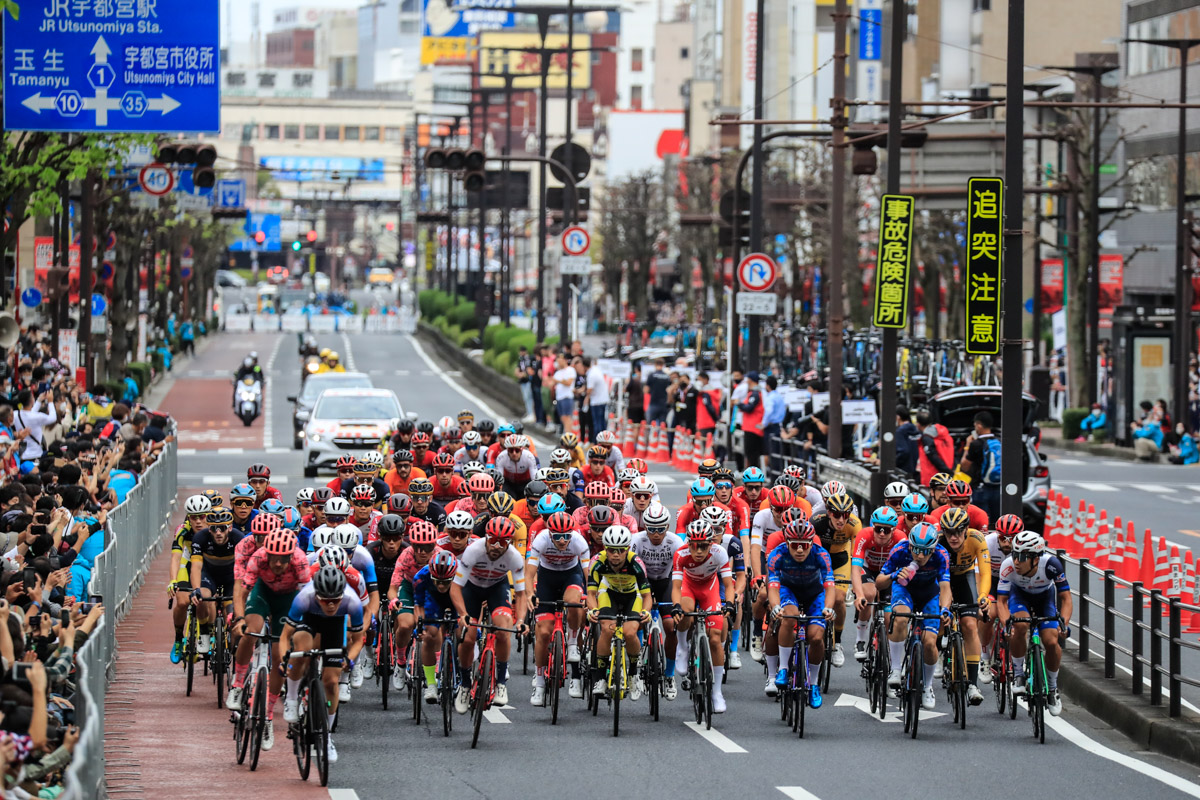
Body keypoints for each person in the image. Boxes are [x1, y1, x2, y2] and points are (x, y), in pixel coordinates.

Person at [877, 521, 952, 711]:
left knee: (929, 642)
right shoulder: (899, 551)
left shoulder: (942, 555)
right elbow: (879, 583)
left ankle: (927, 687)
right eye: (916, 549)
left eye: (926, 551)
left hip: (929, 593)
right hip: (904, 589)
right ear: (909, 545)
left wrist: (945, 609)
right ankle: (895, 670)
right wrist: (894, 575)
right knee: (900, 617)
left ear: (933, 549)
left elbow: (945, 587)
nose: (920, 555)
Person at [996, 531, 1072, 716]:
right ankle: (1019, 675)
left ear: (1036, 559)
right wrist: (1007, 624)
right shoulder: (1007, 567)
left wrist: (1064, 624)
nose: (1016, 561)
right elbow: (1002, 601)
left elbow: (1066, 598)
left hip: (1044, 598)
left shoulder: (1051, 565)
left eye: (1021, 557)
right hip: (1019, 596)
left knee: (1052, 642)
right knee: (1020, 626)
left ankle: (1053, 688)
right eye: (1014, 554)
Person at [956, 411, 1001, 524]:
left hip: (980, 489)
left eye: (975, 425)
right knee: (996, 520)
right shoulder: (999, 441)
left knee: (981, 521)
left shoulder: (976, 444)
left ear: (979, 425)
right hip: (997, 487)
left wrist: (967, 445)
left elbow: (964, 466)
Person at [915, 411, 955, 486]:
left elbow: (933, 457)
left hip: (932, 476)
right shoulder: (942, 434)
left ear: (919, 424)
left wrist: (947, 471)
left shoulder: (926, 438)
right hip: (945, 473)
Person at [737, 372, 765, 472]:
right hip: (750, 427)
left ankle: (754, 474)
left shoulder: (755, 393)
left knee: (752, 454)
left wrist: (739, 404)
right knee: (750, 453)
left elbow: (749, 408)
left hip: (753, 428)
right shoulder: (752, 392)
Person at [762, 375, 787, 469]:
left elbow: (768, 411)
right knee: (777, 451)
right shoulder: (779, 397)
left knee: (769, 451)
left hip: (770, 427)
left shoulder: (770, 397)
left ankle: (771, 473)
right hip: (777, 426)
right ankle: (776, 471)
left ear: (768, 386)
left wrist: (763, 423)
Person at [583, 357, 610, 435]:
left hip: (597, 401)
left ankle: (598, 442)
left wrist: (586, 397)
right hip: (603, 399)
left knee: (597, 423)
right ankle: (604, 441)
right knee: (602, 422)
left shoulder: (591, 375)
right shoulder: (596, 369)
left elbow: (589, 390)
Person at [552, 354, 576, 435]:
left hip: (567, 396)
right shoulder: (557, 372)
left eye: (561, 360)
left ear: (565, 360)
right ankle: (566, 432)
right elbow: (552, 383)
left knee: (567, 416)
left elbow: (569, 382)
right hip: (559, 397)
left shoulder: (570, 370)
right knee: (562, 417)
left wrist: (558, 380)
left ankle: (568, 433)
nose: (559, 362)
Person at [895, 406, 919, 476]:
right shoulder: (915, 429)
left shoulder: (900, 432)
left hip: (904, 470)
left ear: (898, 417)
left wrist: (894, 462)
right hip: (918, 469)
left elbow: (904, 451)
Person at [645, 359, 671, 425]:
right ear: (663, 365)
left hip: (653, 403)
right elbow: (669, 390)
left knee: (651, 424)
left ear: (655, 364)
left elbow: (646, 390)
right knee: (662, 425)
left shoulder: (651, 375)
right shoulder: (667, 376)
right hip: (663, 403)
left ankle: (651, 435)